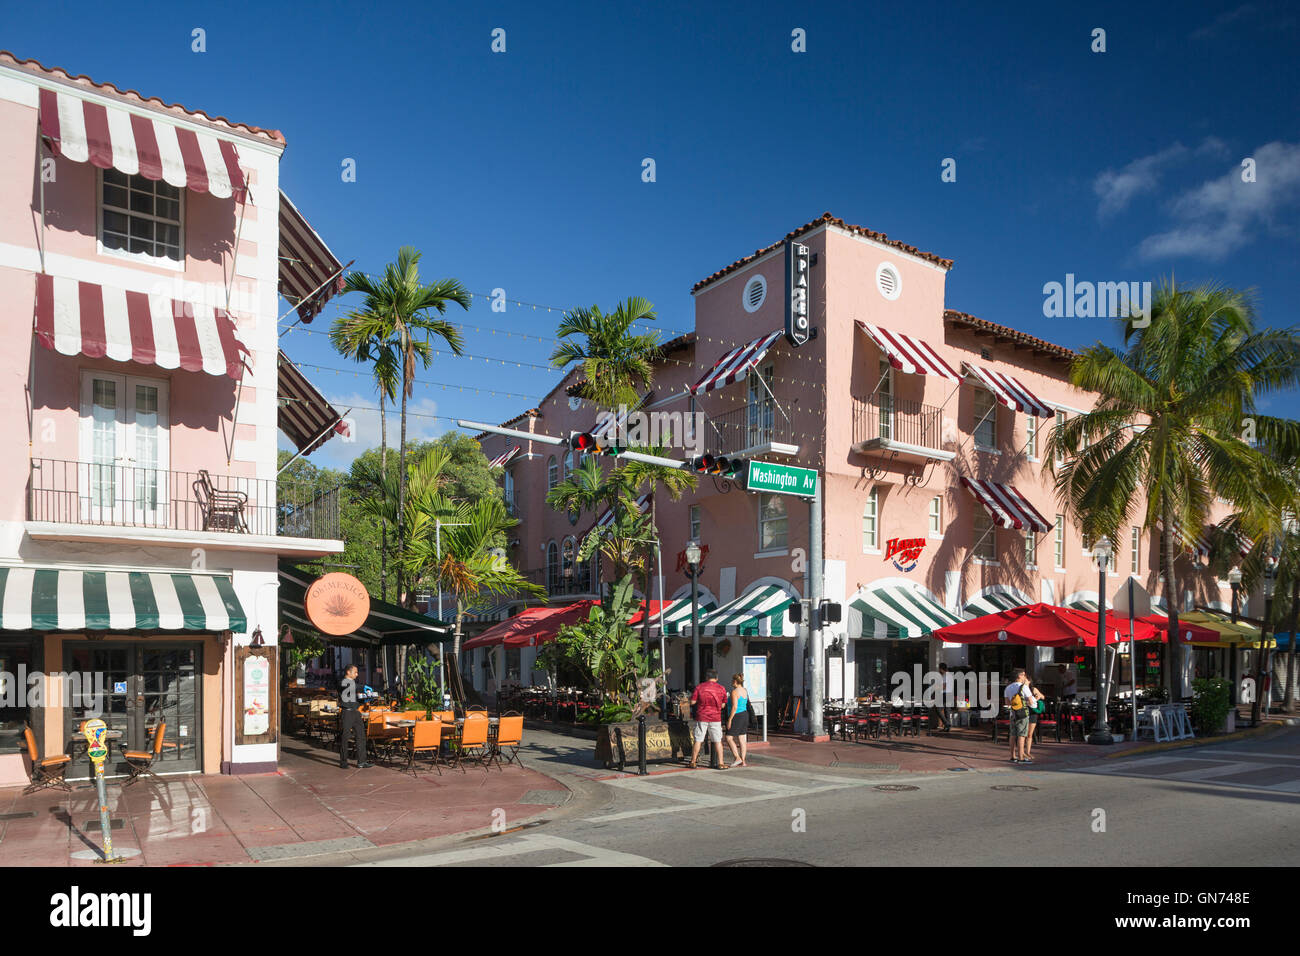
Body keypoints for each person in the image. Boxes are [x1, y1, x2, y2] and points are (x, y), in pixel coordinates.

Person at [689, 669, 729, 770]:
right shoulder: (722, 688)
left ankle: (693, 762)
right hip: (716, 718)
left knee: (698, 739)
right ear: (717, 677)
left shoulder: (699, 687)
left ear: (706, 677)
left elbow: (692, 702)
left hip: (702, 717)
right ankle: (721, 763)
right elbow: (723, 705)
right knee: (717, 741)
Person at [338, 665, 373, 769]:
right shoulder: (342, 682)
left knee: (361, 736)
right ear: (348, 672)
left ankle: (362, 761)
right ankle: (343, 762)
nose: (357, 674)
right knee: (345, 737)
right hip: (347, 713)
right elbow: (351, 686)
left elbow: (355, 699)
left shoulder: (353, 684)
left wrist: (365, 699)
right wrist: (363, 687)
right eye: (355, 672)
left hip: (356, 713)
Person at [1004, 669, 1033, 763]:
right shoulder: (1024, 687)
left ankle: (1013, 756)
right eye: (1023, 675)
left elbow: (1007, 703)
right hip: (1023, 714)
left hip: (1013, 714)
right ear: (1019, 676)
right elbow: (1031, 702)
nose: (1025, 676)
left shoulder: (1007, 688)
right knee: (1021, 735)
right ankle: (1021, 757)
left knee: (1013, 735)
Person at [724, 674, 750, 767]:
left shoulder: (734, 692)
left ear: (735, 681)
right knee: (742, 738)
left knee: (729, 737)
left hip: (737, 715)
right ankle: (743, 761)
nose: (731, 682)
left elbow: (734, 707)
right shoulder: (745, 690)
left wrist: (730, 719)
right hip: (744, 714)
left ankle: (737, 757)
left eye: (732, 680)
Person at [1023, 677, 1047, 761]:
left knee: (1030, 734)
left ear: (1029, 681)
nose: (1023, 681)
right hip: (1024, 712)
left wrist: (1038, 696)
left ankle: (1028, 752)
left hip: (1033, 712)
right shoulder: (1021, 689)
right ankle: (1022, 752)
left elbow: (1043, 697)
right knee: (1023, 734)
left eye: (1025, 680)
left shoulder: (1033, 689)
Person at [931, 662, 954, 733]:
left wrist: (936, 688)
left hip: (945, 695)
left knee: (938, 709)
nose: (939, 670)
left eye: (939, 669)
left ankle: (947, 723)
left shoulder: (945, 675)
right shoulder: (950, 675)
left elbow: (944, 687)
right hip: (950, 694)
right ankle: (947, 727)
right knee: (947, 711)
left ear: (941, 669)